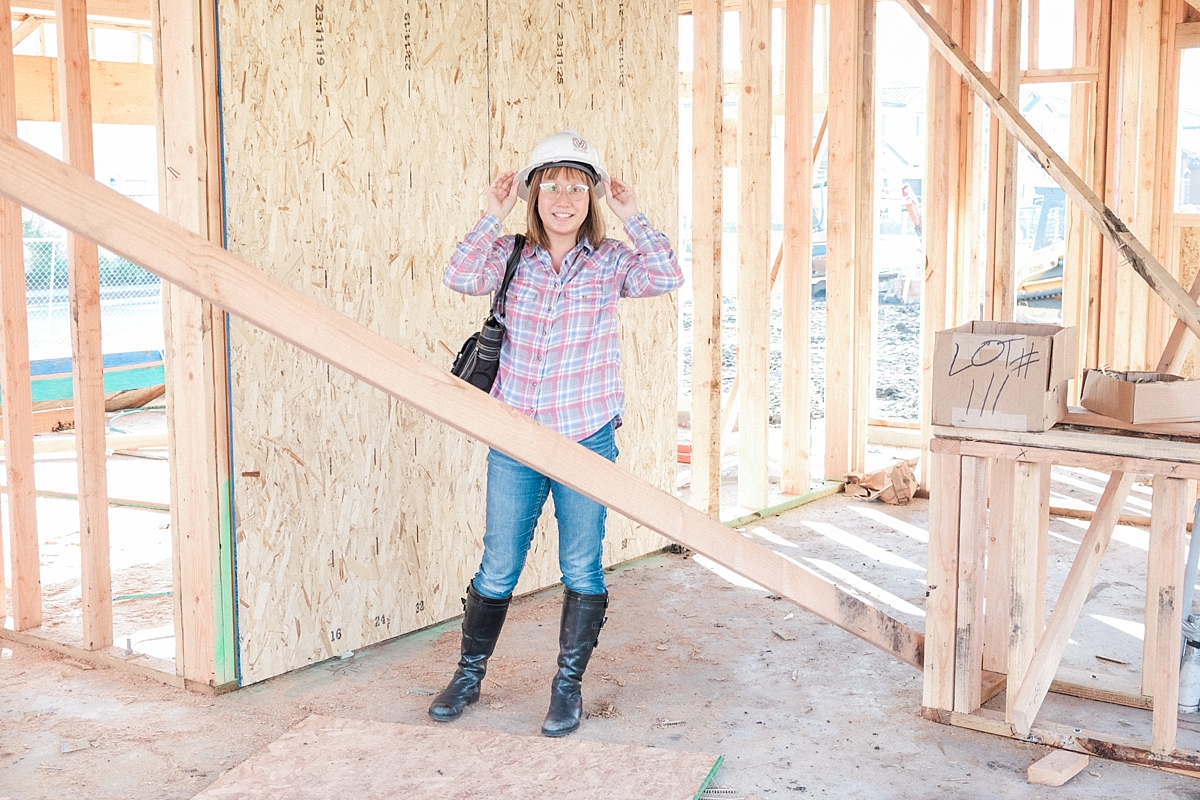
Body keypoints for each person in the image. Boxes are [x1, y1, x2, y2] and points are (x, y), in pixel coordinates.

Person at [433, 130, 683, 737]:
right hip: (516, 437)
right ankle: (468, 676)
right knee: (498, 568)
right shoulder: (510, 256)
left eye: (577, 186)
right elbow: (459, 275)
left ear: (591, 197)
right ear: (534, 195)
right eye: (550, 186)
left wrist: (632, 212)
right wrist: (491, 211)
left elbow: (666, 274)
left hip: (585, 437)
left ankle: (566, 686)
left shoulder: (611, 261)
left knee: (581, 568)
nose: (563, 198)